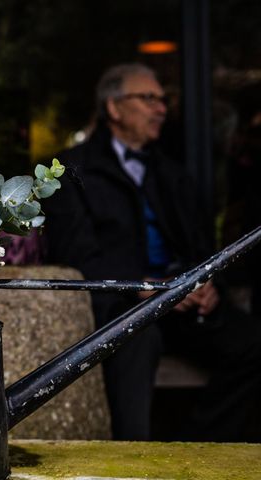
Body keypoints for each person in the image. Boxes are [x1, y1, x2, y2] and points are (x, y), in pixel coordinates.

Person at [43, 63, 261, 441]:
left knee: (253, 342)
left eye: (163, 100)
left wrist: (208, 285)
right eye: (148, 99)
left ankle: (196, 449)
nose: (161, 108)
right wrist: (144, 287)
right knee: (134, 340)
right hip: (123, 306)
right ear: (113, 108)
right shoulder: (72, 171)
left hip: (184, 305)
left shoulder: (171, 173)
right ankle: (135, 459)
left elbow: (201, 247)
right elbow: (73, 255)